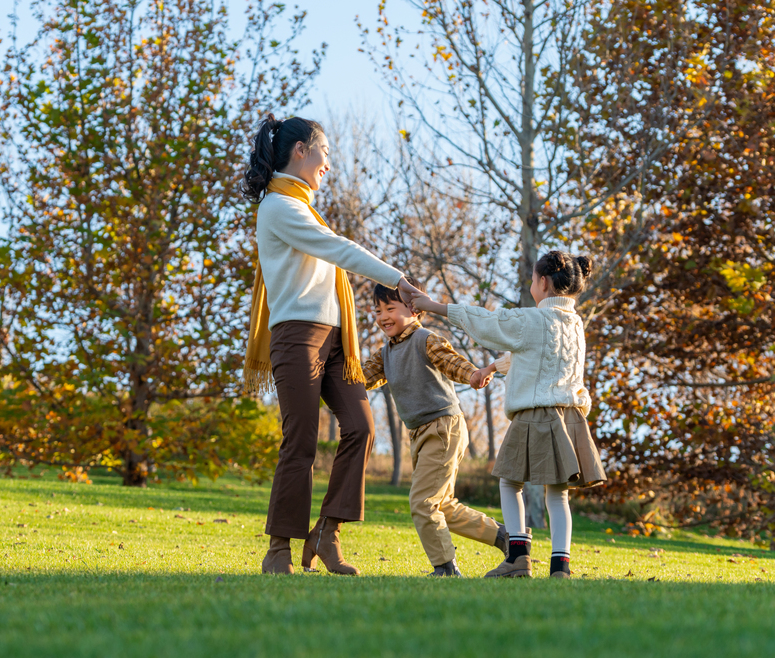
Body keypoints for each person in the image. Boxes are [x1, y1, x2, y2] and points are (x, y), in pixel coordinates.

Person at [241, 114, 423, 575]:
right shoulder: (279, 207)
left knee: (361, 427)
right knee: (299, 441)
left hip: (337, 339)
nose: (328, 163)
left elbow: (331, 248)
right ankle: (279, 548)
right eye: (325, 151)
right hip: (297, 336)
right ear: (301, 149)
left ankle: (327, 533)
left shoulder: (302, 206)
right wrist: (396, 279)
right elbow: (336, 247)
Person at [411, 251, 606, 579]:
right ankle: (561, 566)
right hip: (569, 415)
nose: (532, 284)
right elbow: (533, 356)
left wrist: (432, 306)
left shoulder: (531, 320)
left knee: (510, 482)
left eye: (532, 279)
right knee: (558, 494)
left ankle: (518, 557)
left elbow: (486, 324)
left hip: (536, 414)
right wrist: (493, 366)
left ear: (543, 282)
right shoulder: (575, 325)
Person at [362, 280, 508, 577]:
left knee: (423, 502)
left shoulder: (424, 339)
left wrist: (473, 375)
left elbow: (451, 361)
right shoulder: (386, 353)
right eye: (378, 311)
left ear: (414, 310)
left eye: (391, 308)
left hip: (443, 427)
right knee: (443, 504)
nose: (382, 316)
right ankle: (508, 538)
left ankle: (445, 568)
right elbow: (359, 377)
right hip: (420, 432)